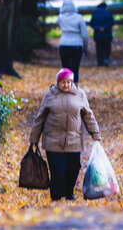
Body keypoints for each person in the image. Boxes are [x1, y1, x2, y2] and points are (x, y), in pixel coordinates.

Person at [29, 68, 102, 201]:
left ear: (72, 82)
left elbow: (88, 116)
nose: (66, 85)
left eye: (68, 82)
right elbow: (40, 117)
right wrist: (34, 138)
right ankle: (56, 198)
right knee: (58, 172)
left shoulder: (80, 94)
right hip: (53, 142)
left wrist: (96, 135)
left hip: (74, 141)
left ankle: (69, 193)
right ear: (58, 82)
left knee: (73, 169)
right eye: (63, 82)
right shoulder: (50, 95)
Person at [56, 0, 89, 83]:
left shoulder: (61, 17)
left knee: (65, 69)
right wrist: (86, 48)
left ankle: (65, 88)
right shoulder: (79, 17)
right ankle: (74, 88)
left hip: (64, 44)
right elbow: (85, 35)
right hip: (77, 45)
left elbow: (57, 22)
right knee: (75, 69)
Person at [88, 2, 115, 66]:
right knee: (107, 48)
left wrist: (97, 28)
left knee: (99, 49)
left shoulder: (95, 14)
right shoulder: (108, 13)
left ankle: (100, 63)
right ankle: (106, 59)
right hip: (107, 35)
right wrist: (105, 27)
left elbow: (91, 23)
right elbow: (112, 22)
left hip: (98, 36)